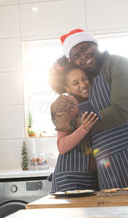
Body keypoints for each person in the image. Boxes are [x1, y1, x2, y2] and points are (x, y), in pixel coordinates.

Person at [51, 29, 128, 189]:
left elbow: (120, 112)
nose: (83, 56)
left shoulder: (119, 65)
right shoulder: (88, 79)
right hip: (107, 159)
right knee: (113, 208)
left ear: (95, 44)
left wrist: (77, 124)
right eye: (76, 55)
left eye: (85, 48)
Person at [48, 56, 99, 192]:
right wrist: (84, 128)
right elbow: (62, 146)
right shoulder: (67, 104)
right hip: (69, 179)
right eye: (75, 83)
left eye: (84, 79)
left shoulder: (97, 98)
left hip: (92, 177)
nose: (83, 85)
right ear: (67, 88)